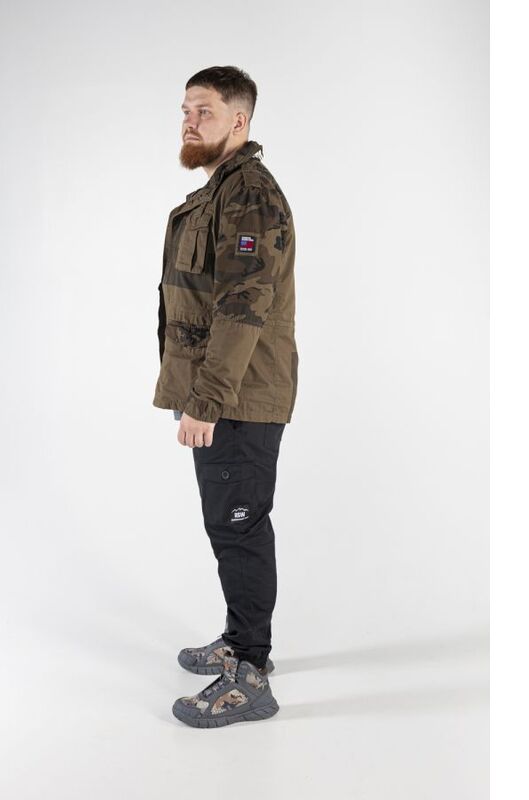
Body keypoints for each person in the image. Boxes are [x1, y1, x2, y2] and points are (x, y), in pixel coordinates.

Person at [152, 65, 299, 728]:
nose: (189, 122)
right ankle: (240, 639)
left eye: (204, 111)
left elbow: (243, 303)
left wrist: (206, 401)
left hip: (237, 396)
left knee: (239, 527)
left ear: (239, 121)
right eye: (185, 110)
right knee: (228, 523)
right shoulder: (220, 192)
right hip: (221, 391)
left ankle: (250, 673)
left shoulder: (249, 197)